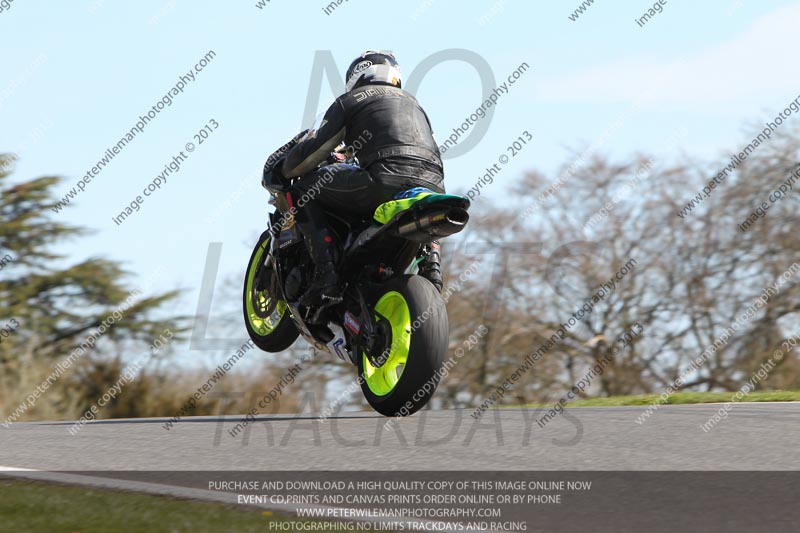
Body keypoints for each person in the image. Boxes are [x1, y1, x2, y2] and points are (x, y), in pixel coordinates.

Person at [272, 50, 445, 305]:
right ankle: (432, 265)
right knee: (417, 199)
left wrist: (285, 168)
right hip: (434, 185)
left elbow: (313, 151)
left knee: (304, 189)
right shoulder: (415, 105)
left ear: (358, 74)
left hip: (383, 179)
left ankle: (326, 276)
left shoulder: (353, 99)